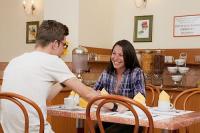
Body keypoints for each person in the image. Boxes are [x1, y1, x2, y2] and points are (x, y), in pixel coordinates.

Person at [0, 20, 120, 133]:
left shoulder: (15, 61)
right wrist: (114, 106)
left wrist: (63, 81)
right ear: (55, 44)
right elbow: (87, 94)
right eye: (64, 45)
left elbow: (46, 97)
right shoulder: (52, 60)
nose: (63, 49)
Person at [94, 39, 146, 133]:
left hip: (131, 120)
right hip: (111, 117)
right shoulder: (107, 72)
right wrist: (97, 93)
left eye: (121, 55)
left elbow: (140, 99)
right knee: (96, 129)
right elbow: (94, 92)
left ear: (129, 57)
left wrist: (120, 105)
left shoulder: (136, 72)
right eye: (114, 53)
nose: (115, 58)